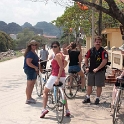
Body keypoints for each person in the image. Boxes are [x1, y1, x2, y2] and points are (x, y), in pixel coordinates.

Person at [40, 41, 70, 118]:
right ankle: (67, 110)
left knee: (45, 91)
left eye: (55, 46)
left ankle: (43, 109)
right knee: (62, 93)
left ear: (58, 47)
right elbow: (65, 63)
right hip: (63, 76)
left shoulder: (57, 55)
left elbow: (60, 67)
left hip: (56, 76)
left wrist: (58, 78)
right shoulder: (62, 54)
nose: (53, 48)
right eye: (52, 46)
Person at [83, 36, 108, 105]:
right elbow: (86, 58)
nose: (98, 43)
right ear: (94, 43)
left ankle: (97, 98)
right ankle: (87, 97)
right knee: (89, 84)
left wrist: (98, 68)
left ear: (101, 43)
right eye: (97, 42)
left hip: (100, 71)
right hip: (91, 70)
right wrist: (87, 67)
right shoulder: (90, 50)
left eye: (99, 42)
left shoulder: (103, 52)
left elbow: (104, 61)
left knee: (98, 85)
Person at [23, 40, 39, 104]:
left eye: (35, 45)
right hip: (30, 70)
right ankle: (28, 98)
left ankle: (29, 97)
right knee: (29, 85)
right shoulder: (30, 53)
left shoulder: (33, 52)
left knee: (32, 84)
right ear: (30, 46)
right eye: (32, 45)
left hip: (32, 70)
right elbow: (28, 62)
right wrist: (35, 67)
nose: (34, 46)